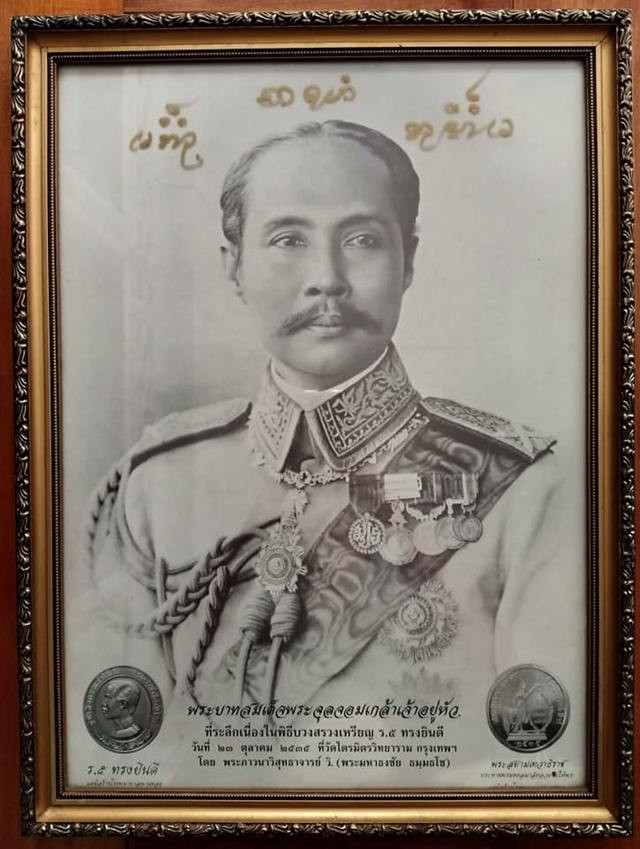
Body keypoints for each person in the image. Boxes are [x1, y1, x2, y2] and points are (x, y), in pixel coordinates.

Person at [85, 120, 578, 784]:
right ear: (233, 265)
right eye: (288, 240)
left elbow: (548, 771)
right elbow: (117, 764)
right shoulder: (157, 481)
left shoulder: (528, 491)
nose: (327, 279)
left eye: (362, 239)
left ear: (409, 259)